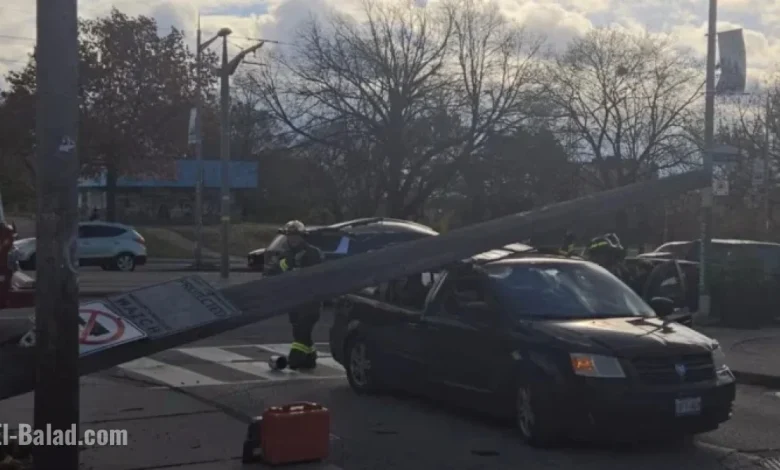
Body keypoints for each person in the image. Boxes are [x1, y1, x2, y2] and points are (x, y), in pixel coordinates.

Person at [265, 220, 325, 370]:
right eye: (290, 236)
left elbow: (318, 276)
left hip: (311, 301)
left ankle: (295, 360)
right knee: (299, 331)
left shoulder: (313, 253)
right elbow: (275, 272)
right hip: (294, 301)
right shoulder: (285, 255)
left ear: (303, 236)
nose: (292, 239)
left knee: (301, 332)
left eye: (296, 236)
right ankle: (310, 359)